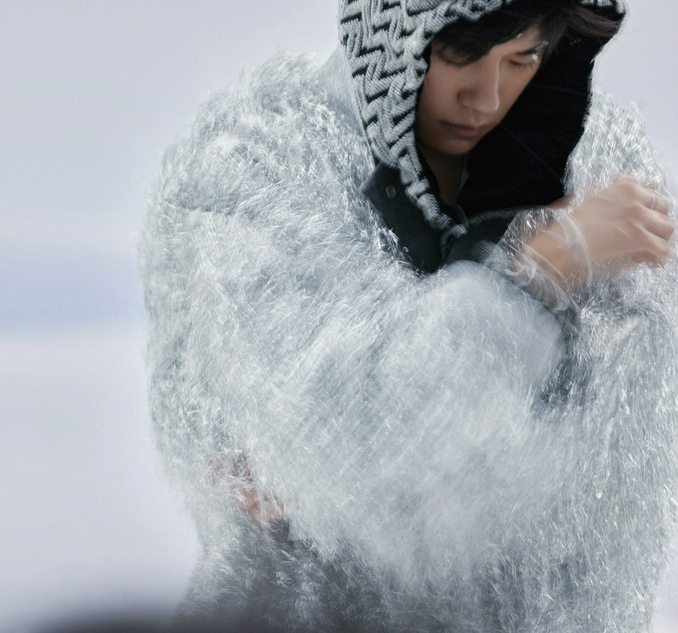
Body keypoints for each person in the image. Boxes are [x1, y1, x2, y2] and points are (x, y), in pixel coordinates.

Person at [140, 0, 678, 630]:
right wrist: (539, 273)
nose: (487, 97)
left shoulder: (597, 165)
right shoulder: (261, 161)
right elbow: (369, 456)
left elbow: (622, 470)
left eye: (522, 58)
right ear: (394, 35)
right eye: (460, 55)